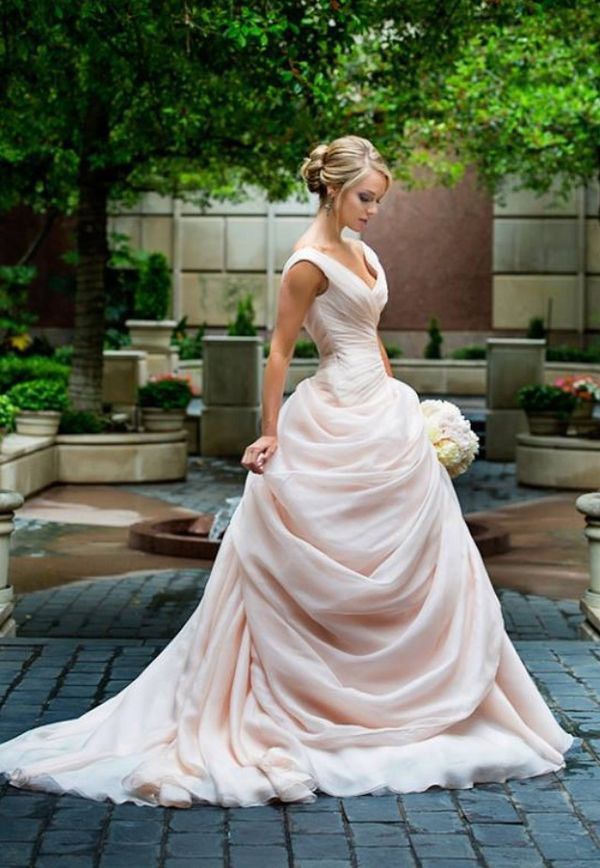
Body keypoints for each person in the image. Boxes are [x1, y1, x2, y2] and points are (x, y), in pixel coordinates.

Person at [0, 135, 575, 809]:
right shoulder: (305, 263)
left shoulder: (363, 252)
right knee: (309, 556)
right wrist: (270, 432)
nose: (374, 211)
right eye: (366, 197)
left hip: (381, 415)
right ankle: (315, 697)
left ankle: (414, 693)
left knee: (420, 560)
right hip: (327, 411)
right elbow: (279, 353)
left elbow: (374, 338)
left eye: (381, 200)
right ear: (334, 190)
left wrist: (409, 413)